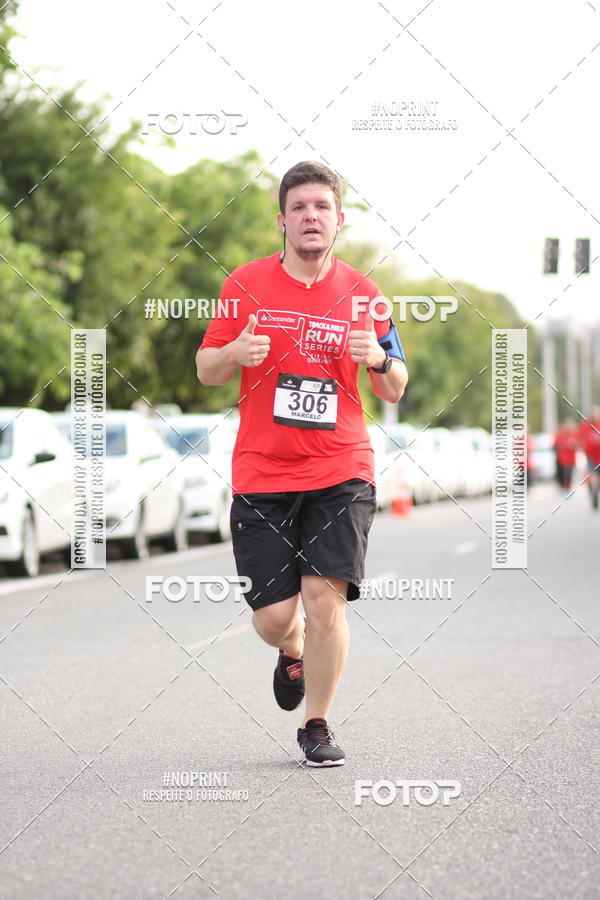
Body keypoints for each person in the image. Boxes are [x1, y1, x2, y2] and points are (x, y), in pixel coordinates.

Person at [196, 161, 408, 766]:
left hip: (341, 468)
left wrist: (379, 360)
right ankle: (290, 652)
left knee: (324, 600)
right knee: (273, 618)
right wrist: (235, 351)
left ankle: (317, 723)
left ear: (339, 220)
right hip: (263, 472)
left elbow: (395, 388)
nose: (311, 217)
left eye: (322, 207)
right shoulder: (244, 285)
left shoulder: (366, 296)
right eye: (299, 208)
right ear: (282, 220)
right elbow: (207, 369)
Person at [578, 407, 600, 510]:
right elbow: (579, 440)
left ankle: (595, 489)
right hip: (590, 455)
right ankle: (595, 492)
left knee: (595, 476)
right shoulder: (585, 426)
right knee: (593, 475)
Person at [553, 419, 578, 494]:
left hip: (571, 459)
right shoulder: (560, 435)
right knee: (563, 474)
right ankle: (563, 488)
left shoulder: (574, 434)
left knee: (569, 474)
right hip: (562, 459)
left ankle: (568, 489)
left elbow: (578, 445)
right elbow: (555, 446)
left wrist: (573, 445)